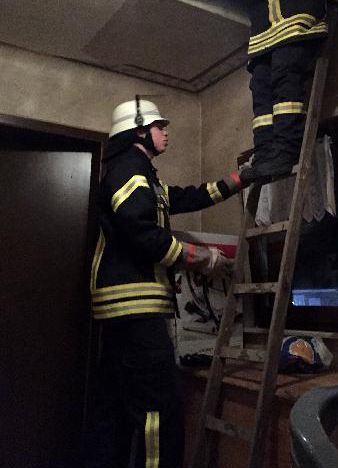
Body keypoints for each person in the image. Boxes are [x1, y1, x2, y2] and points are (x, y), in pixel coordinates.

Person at [86, 97, 249, 468]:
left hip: (124, 311)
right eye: (159, 126)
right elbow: (140, 232)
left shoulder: (141, 175)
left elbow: (185, 197)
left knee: (115, 408)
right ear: (139, 131)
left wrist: (238, 180)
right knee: (161, 408)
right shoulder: (130, 170)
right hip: (135, 306)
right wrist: (202, 258)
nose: (166, 132)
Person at [241, 0, 329, 180]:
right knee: (260, 87)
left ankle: (285, 149)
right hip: (263, 34)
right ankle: (264, 151)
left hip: (294, 22)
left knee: (285, 78)